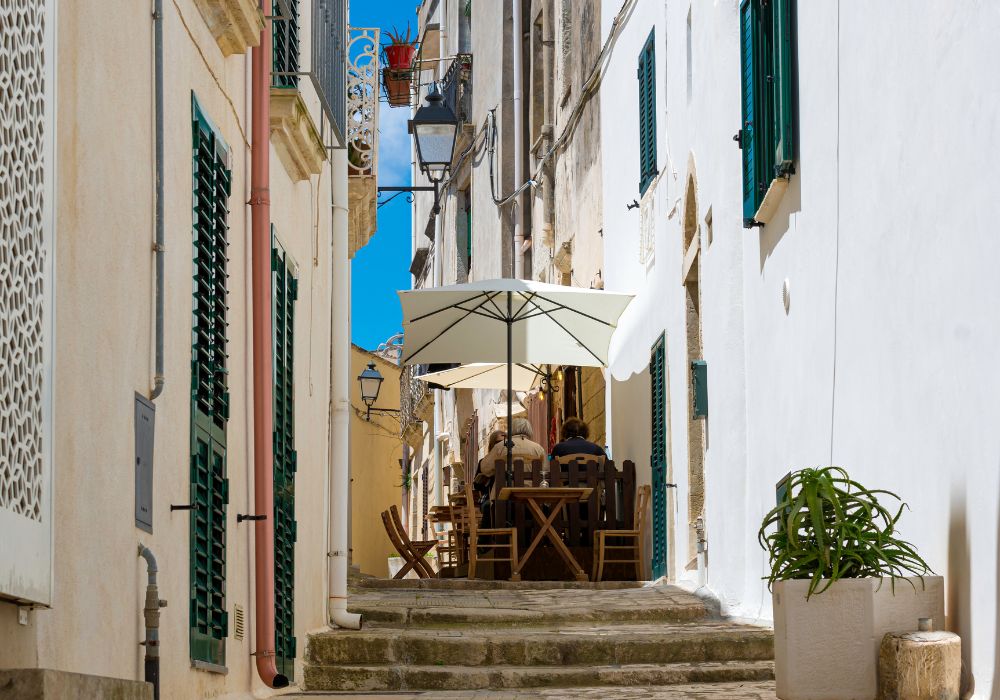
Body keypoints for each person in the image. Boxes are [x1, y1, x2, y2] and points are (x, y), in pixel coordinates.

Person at [479, 417, 547, 477]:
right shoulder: (538, 448)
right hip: (531, 489)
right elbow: (546, 470)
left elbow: (485, 469)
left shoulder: (500, 446)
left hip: (503, 490)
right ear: (529, 430)